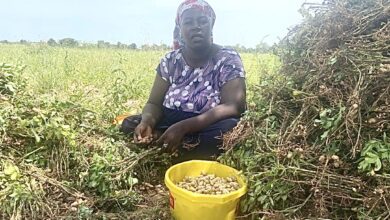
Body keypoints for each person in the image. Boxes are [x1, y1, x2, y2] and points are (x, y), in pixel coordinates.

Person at [121, 0, 246, 163]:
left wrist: (184, 127)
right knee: (130, 123)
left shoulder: (228, 58)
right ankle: (169, 142)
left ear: (211, 24)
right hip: (169, 120)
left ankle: (167, 144)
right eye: (188, 22)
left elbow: (234, 106)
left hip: (206, 124)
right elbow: (153, 103)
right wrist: (147, 122)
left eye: (202, 21)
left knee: (229, 129)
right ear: (180, 27)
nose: (196, 27)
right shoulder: (170, 60)